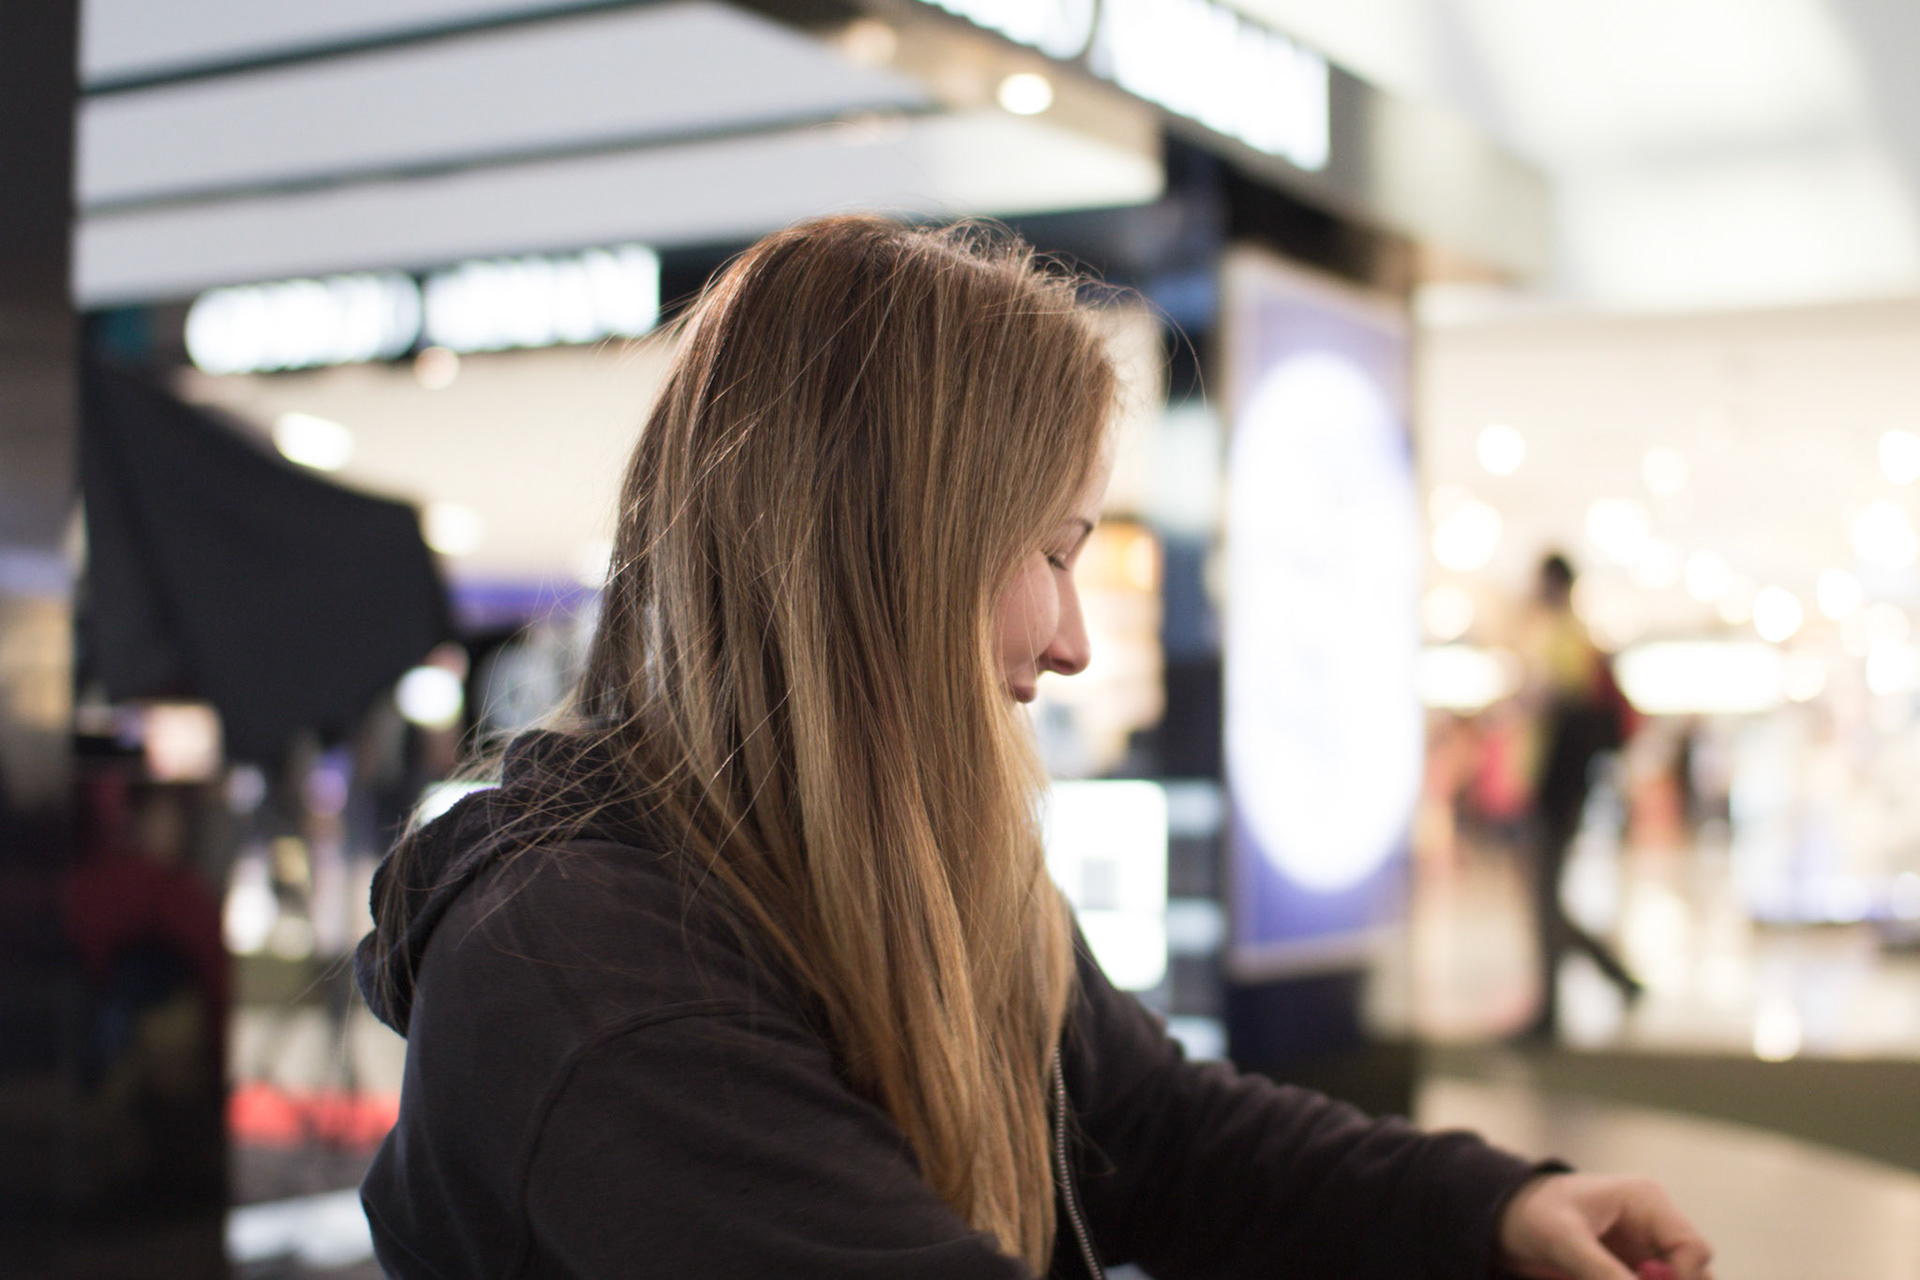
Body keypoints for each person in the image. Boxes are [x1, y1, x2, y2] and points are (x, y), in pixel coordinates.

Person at [354, 217, 1712, 1279]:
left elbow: (1159, 1135)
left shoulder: (894, 857)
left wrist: (1497, 1209)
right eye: (1050, 553)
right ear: (881, 553)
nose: (1069, 641)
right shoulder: (591, 981)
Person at [1516, 553, 1645, 1041]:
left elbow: (1555, 708)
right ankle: (1612, 978)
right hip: (1561, 788)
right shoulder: (1575, 635)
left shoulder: (1562, 637)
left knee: (1544, 899)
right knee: (1548, 898)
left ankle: (1552, 1008)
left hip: (1556, 789)